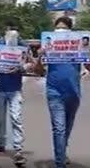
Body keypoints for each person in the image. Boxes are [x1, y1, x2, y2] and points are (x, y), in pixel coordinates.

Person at [35, 16, 90, 168]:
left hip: (73, 93)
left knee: (67, 127)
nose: (60, 31)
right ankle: (60, 163)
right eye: (57, 28)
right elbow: (38, 70)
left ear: (70, 32)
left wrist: (87, 53)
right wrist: (41, 55)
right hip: (54, 92)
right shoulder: (49, 47)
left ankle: (62, 153)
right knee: (59, 128)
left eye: (63, 29)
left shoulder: (78, 47)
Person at [0, 19, 33, 165]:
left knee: (16, 118)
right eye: (10, 28)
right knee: (0, 120)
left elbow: (30, 63)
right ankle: (2, 145)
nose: (13, 31)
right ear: (5, 29)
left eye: (15, 28)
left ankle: (18, 149)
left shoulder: (23, 45)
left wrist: (21, 69)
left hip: (15, 88)